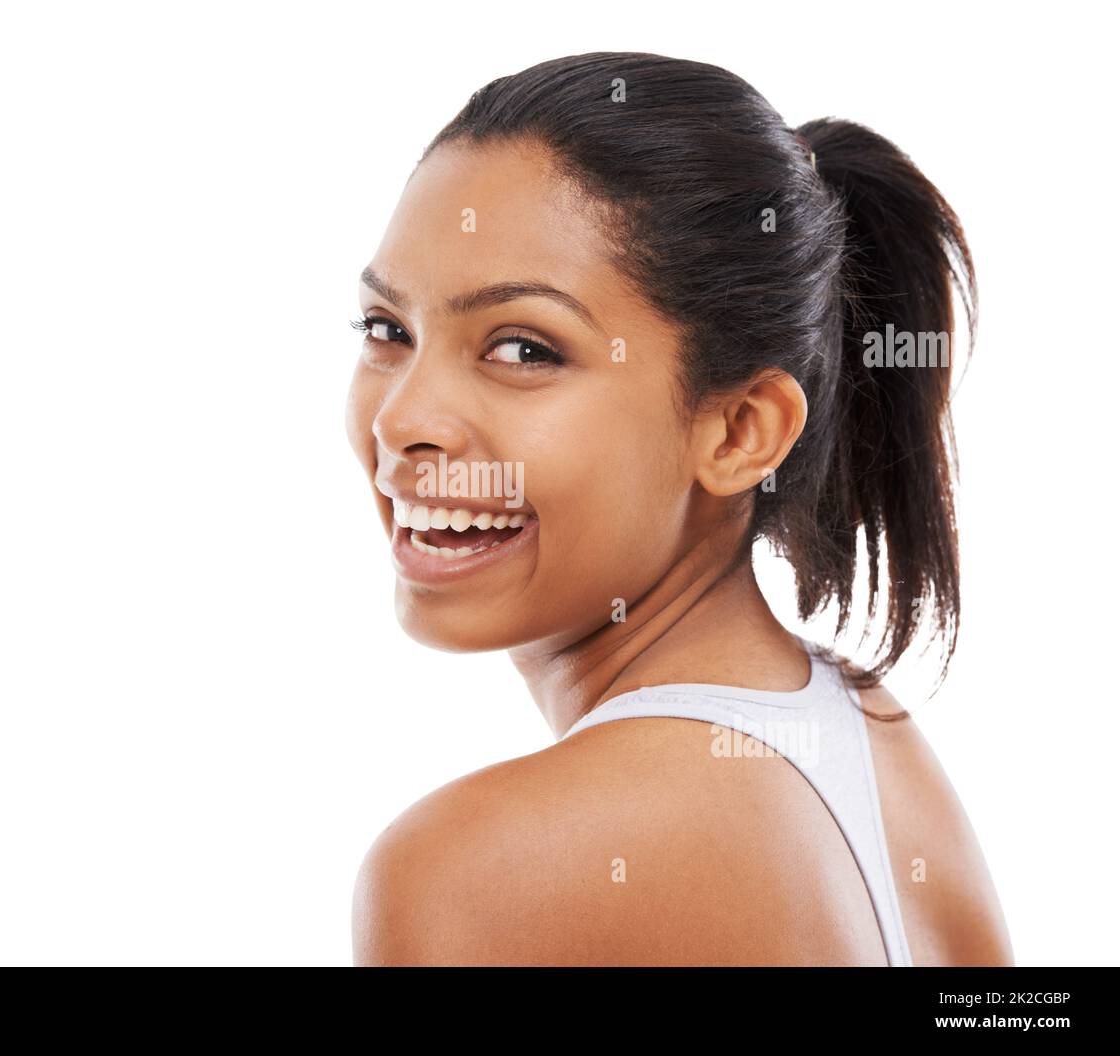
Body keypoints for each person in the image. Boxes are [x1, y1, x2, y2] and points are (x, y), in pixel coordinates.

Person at [345, 52, 1013, 966]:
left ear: (742, 430)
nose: (402, 419)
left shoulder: (469, 871)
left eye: (524, 348)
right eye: (389, 331)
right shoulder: (866, 739)